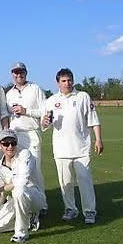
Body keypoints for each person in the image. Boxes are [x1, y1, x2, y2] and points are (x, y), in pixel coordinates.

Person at [41, 68, 104, 224]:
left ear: (73, 81)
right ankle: (71, 209)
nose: (67, 83)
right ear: (57, 83)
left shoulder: (83, 96)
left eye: (69, 80)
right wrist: (45, 122)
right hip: (61, 150)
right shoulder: (51, 100)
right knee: (65, 184)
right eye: (63, 81)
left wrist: (98, 139)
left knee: (85, 182)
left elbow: (93, 119)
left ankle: (89, 211)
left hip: (81, 148)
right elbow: (43, 124)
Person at [6, 62, 48, 215]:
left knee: (34, 169)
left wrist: (26, 111)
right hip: (16, 136)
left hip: (32, 132)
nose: (19, 75)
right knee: (18, 169)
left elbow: (44, 112)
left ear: (26, 73)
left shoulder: (35, 89)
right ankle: (24, 201)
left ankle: (42, 204)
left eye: (21, 72)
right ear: (12, 74)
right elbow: (7, 115)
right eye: (16, 72)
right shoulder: (9, 94)